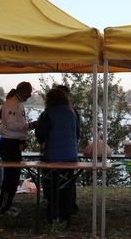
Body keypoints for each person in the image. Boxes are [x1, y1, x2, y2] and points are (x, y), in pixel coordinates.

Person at [35, 88, 80, 225]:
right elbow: (77, 133)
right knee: (67, 187)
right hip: (71, 155)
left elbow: (41, 133)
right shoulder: (72, 113)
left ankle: (53, 216)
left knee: (53, 186)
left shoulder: (48, 113)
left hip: (54, 156)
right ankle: (66, 217)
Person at [0, 82, 39, 217]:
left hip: (14, 142)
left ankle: (8, 204)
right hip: (10, 143)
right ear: (23, 91)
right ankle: (3, 207)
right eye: (28, 92)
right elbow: (11, 125)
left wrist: (29, 127)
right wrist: (30, 125)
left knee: (14, 177)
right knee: (10, 177)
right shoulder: (12, 104)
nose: (30, 95)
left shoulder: (18, 103)